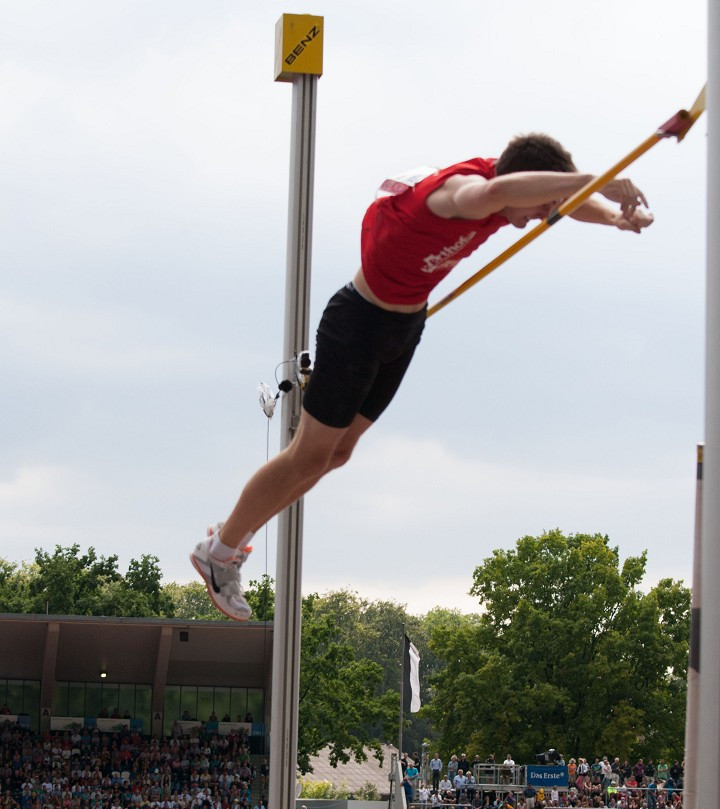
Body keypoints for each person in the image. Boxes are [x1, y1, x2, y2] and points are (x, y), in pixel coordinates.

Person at [189, 136, 653, 618]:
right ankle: (220, 552)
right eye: (540, 208)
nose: (541, 217)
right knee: (308, 455)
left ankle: (230, 537)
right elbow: (496, 195)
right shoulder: (459, 194)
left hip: (403, 326)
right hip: (358, 324)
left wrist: (615, 217)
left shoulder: (510, 190)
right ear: (516, 187)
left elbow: (560, 202)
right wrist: (598, 178)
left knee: (338, 453)